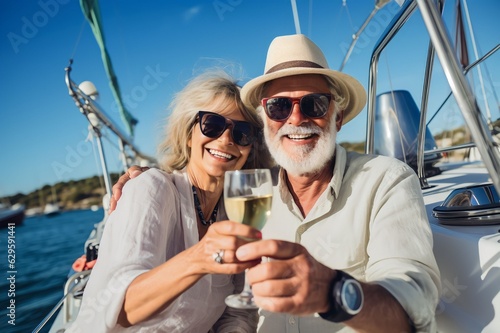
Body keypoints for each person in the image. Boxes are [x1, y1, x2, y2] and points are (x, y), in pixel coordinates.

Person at [111, 34, 441, 332]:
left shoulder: (386, 181)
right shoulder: (251, 192)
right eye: (279, 106)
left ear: (337, 117)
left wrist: (333, 292)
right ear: (267, 122)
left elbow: (413, 308)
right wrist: (144, 181)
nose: (296, 119)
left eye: (314, 104)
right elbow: (195, 190)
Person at [67, 69, 274, 333]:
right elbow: (117, 309)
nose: (225, 139)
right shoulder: (152, 189)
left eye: (242, 132)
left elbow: (237, 309)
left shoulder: (234, 211)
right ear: (189, 135)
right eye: (212, 124)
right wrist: (199, 258)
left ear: (249, 147)